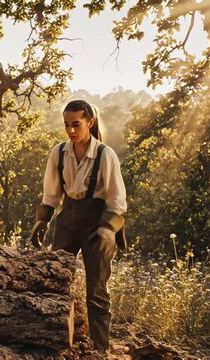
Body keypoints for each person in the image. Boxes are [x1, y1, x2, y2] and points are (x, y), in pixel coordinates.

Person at [28, 100, 127, 352]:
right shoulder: (58, 153)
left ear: (89, 123)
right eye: (66, 125)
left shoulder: (106, 155)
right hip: (68, 220)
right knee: (55, 281)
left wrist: (107, 230)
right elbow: (51, 195)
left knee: (96, 291)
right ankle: (54, 343)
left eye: (76, 125)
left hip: (98, 222)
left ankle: (100, 350)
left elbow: (117, 201)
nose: (71, 131)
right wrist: (42, 220)